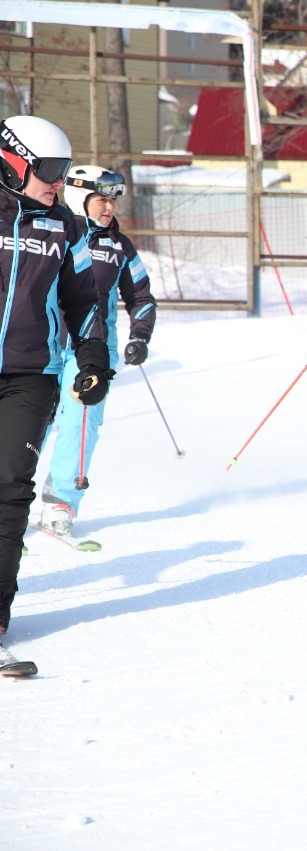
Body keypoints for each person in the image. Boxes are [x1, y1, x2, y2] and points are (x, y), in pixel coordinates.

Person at [0, 115, 111, 636]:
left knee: (9, 492)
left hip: (30, 376)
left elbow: (84, 299)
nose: (58, 182)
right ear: (13, 162)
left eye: (64, 171)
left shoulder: (66, 226)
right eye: (48, 170)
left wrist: (92, 355)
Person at [39, 166, 156, 535]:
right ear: (79, 198)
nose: (109, 208)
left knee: (80, 421)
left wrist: (140, 333)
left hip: (94, 348)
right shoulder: (50, 231)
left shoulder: (119, 245)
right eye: (102, 200)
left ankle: (61, 501)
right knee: (30, 421)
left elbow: (140, 295)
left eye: (112, 201)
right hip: (41, 343)